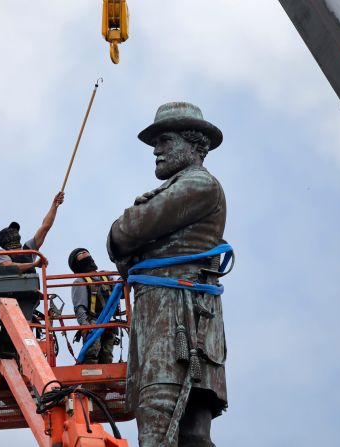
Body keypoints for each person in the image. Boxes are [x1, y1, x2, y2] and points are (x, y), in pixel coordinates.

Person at [107, 102, 228, 446]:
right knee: (189, 435)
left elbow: (126, 231)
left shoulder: (198, 186)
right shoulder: (181, 187)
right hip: (182, 322)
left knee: (160, 424)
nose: (156, 150)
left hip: (177, 322)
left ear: (194, 145)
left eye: (165, 140)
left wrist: (128, 230)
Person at [68, 248, 117, 364]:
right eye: (80, 254)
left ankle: (106, 380)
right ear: (77, 264)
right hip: (93, 322)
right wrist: (85, 326)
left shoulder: (107, 276)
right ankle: (90, 378)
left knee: (107, 355)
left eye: (85, 251)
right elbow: (79, 308)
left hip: (110, 321)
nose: (84, 253)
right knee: (93, 351)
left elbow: (120, 293)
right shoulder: (80, 282)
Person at [0, 191, 65, 270]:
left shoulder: (28, 248)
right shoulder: (1, 253)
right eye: (11, 232)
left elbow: (45, 227)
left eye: (15, 231)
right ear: (5, 239)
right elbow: (9, 267)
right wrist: (34, 264)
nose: (15, 232)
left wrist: (54, 205)